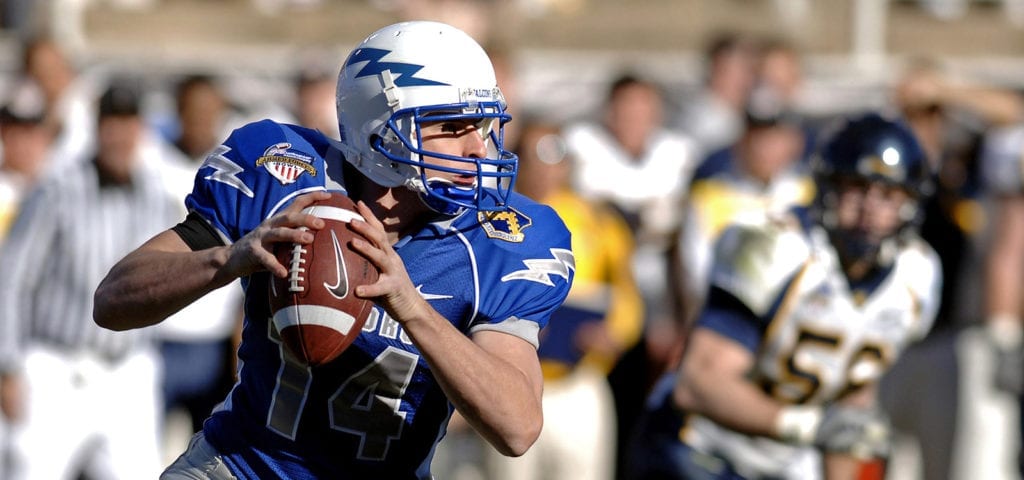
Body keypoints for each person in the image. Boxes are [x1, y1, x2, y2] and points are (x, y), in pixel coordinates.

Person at [92, 20, 574, 479]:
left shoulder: (504, 238)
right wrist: (228, 258)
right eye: (451, 126)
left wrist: (412, 307)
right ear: (381, 131)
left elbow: (517, 427)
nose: (478, 148)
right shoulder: (281, 173)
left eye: (483, 125)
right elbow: (112, 302)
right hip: (238, 467)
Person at [625, 113, 942, 480]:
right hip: (700, 449)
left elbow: (852, 397)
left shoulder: (917, 275)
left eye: (888, 194)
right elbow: (699, 383)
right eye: (856, 187)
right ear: (827, 187)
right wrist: (806, 427)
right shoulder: (775, 246)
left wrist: (837, 442)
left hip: (786, 462)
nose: (870, 208)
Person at [0, 78, 177, 480]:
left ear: (140, 130)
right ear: (97, 129)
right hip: (57, 367)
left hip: (129, 369)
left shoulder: (154, 192)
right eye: (111, 124)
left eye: (128, 124)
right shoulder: (57, 189)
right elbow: (13, 278)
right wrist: (6, 366)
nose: (120, 136)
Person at [485, 119, 643, 480]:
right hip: (508, 379)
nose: (544, 167)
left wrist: (615, 335)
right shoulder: (488, 215)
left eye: (553, 155)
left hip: (577, 381)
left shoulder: (598, 220)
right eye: (534, 155)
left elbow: (628, 296)